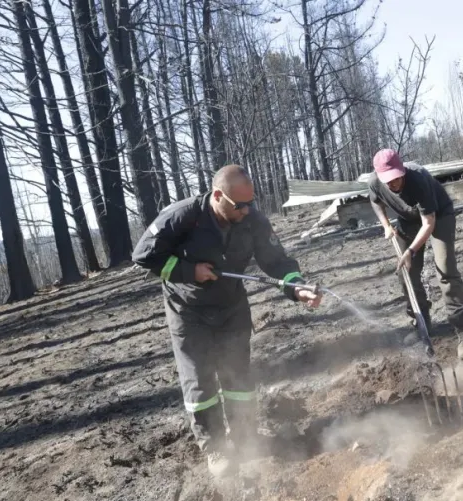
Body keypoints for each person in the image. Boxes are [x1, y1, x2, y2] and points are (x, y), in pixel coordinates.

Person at [132, 164, 322, 478]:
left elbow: (276, 261)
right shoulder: (184, 217)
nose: (247, 211)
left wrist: (297, 286)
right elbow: (144, 255)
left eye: (251, 203)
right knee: (200, 380)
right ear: (218, 195)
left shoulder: (253, 220)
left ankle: (246, 437)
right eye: (240, 205)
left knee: (238, 377)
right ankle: (216, 448)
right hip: (188, 311)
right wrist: (188, 272)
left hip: (231, 307)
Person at [367, 148, 463, 360]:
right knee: (405, 272)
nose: (394, 184)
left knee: (445, 269)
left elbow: (429, 223)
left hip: (439, 217)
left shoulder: (418, 179)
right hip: (408, 221)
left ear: (402, 170)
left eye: (397, 178)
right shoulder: (374, 182)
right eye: (388, 180)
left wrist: (410, 250)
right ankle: (421, 322)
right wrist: (386, 225)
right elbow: (375, 200)